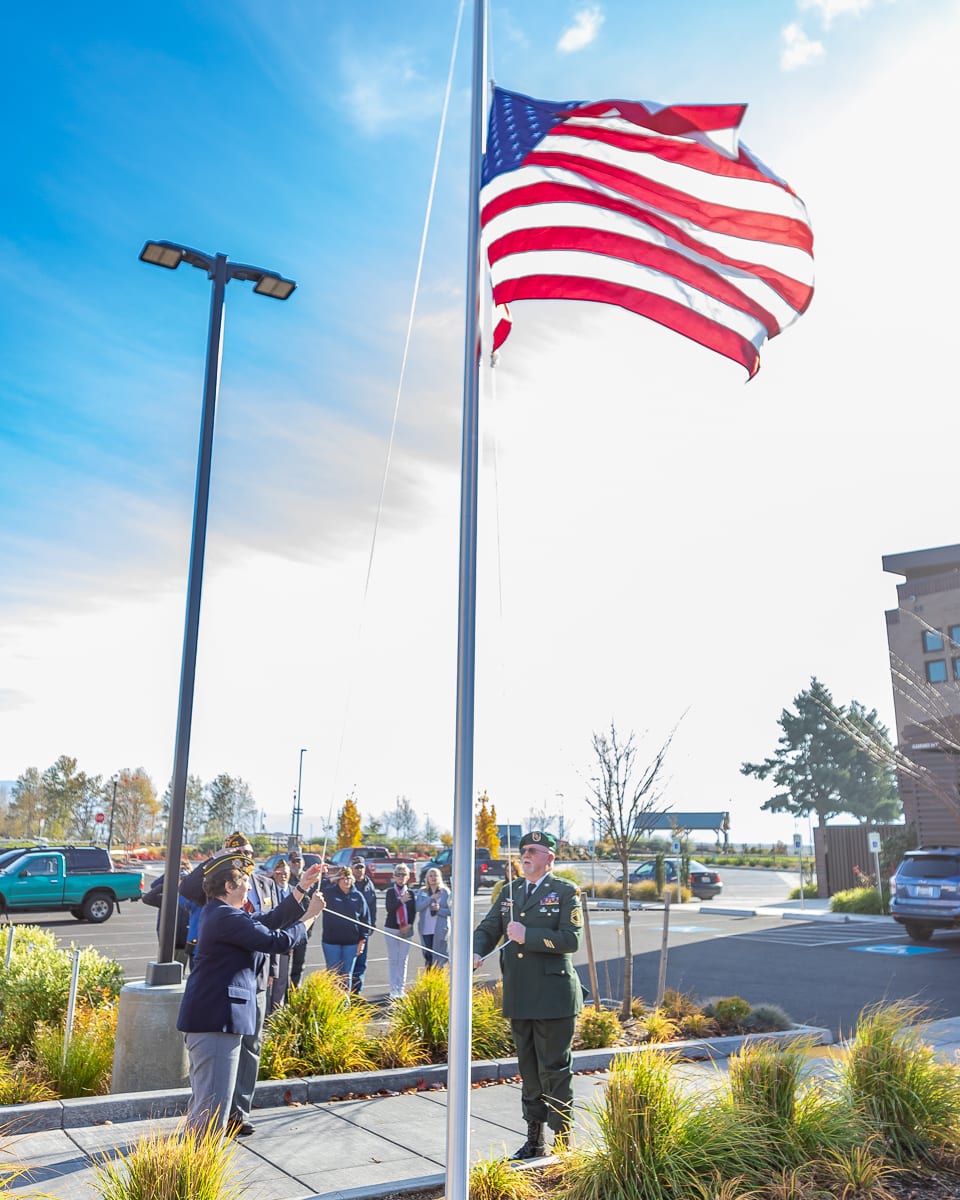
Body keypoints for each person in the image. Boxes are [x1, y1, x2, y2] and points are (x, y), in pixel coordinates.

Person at [176, 851, 325, 1135]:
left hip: (213, 1020)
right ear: (229, 887)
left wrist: (303, 887)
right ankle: (196, 1171)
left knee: (207, 1105)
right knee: (212, 1111)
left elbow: (270, 919)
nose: (249, 886)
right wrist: (309, 918)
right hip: (216, 1023)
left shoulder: (221, 914)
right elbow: (276, 940)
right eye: (244, 880)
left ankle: (192, 1168)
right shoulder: (225, 917)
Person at [473, 829, 583, 1158]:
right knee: (530, 1071)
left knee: (555, 1069)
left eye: (533, 850)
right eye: (523, 850)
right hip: (520, 995)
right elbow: (488, 929)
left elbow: (570, 939)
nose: (526, 854)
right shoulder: (510, 891)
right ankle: (534, 1139)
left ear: (550, 858)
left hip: (553, 996)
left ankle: (563, 1138)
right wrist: (476, 952)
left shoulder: (564, 891)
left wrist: (527, 935)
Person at [319, 867, 370, 987]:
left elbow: (365, 920)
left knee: (347, 975)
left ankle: (345, 1004)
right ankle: (333, 1003)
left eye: (348, 878)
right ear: (338, 880)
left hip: (351, 943)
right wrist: (331, 879)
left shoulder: (358, 896)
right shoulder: (329, 893)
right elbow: (314, 890)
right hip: (331, 942)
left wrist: (362, 941)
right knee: (333, 975)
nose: (346, 881)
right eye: (342, 878)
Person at [383, 863, 416, 999]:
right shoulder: (391, 892)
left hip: (406, 929)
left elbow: (413, 911)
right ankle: (393, 989)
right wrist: (400, 901)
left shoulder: (411, 893)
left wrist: (408, 925)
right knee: (393, 959)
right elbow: (389, 909)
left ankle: (400, 989)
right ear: (394, 876)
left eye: (404, 874)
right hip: (391, 927)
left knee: (403, 960)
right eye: (398, 874)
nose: (401, 877)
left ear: (408, 877)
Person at [267, 858, 293, 1013]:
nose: (283, 876)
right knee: (268, 978)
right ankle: (265, 1011)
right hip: (269, 939)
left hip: (285, 941)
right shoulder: (268, 889)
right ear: (274, 874)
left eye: (286, 873)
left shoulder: (293, 891)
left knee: (282, 977)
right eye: (280, 873)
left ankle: (276, 1011)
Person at [349, 857, 378, 995]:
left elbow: (373, 907)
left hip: (363, 931)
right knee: (347, 963)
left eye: (361, 867)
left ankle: (356, 993)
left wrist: (371, 926)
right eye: (356, 867)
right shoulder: (347, 883)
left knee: (361, 962)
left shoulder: (369, 885)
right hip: (348, 930)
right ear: (351, 868)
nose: (359, 869)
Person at [415, 866, 451, 968]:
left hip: (440, 928)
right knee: (428, 956)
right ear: (427, 878)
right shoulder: (423, 891)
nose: (433, 878)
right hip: (426, 929)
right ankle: (429, 978)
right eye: (430, 876)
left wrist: (439, 910)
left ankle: (440, 978)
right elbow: (417, 907)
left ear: (440, 877)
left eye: (435, 875)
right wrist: (430, 899)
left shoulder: (445, 892)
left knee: (440, 956)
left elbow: (451, 911)